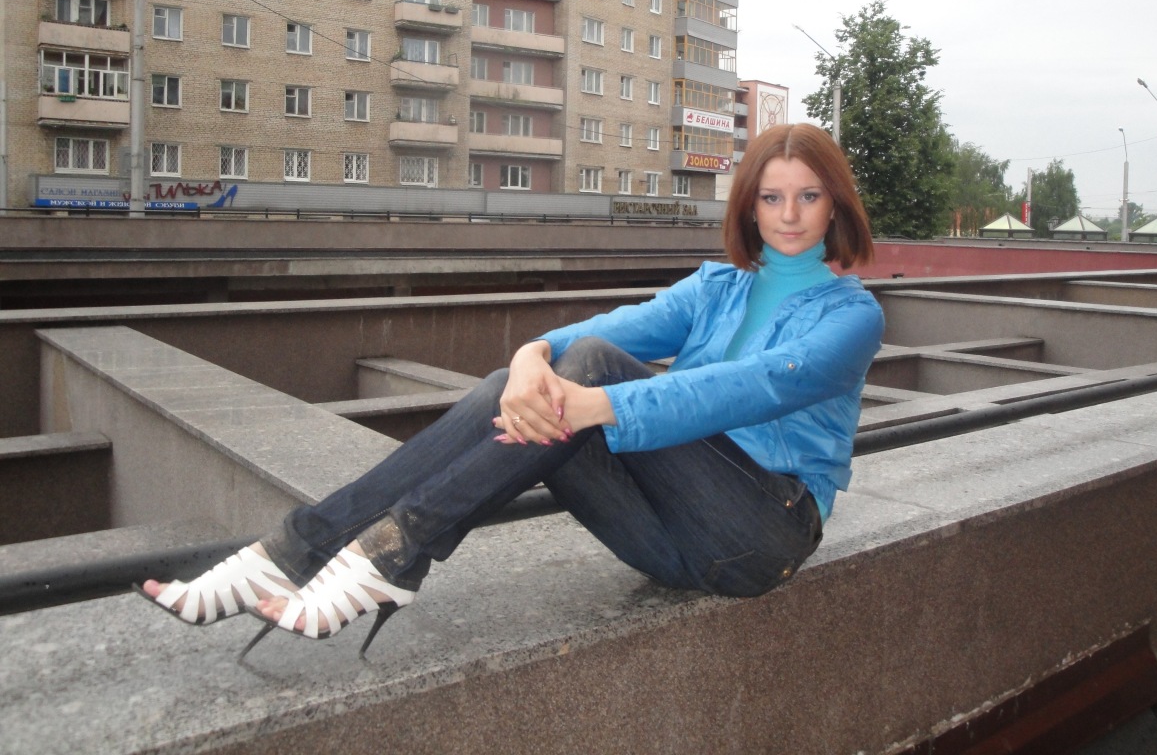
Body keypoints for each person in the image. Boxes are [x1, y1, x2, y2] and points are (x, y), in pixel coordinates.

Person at [137, 123, 885, 659]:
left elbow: (748, 389)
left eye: (808, 196)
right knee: (520, 382)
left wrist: (597, 399)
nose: (789, 215)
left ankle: (389, 554)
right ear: (749, 206)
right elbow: (611, 329)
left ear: (835, 205)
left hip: (758, 536)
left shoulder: (851, 317)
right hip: (667, 541)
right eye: (772, 198)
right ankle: (296, 550)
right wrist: (532, 354)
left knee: (590, 370)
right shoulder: (716, 286)